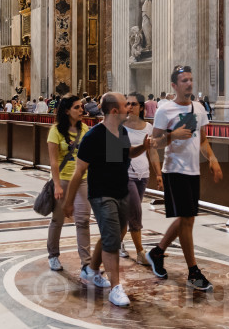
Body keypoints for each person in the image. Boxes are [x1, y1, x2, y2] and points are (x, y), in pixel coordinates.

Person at [62, 93, 152, 307]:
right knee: (112, 239)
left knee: (115, 233)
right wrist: (68, 201)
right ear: (114, 111)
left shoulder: (119, 131)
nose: (128, 109)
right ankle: (116, 288)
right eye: (124, 105)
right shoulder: (93, 137)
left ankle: (91, 270)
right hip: (102, 194)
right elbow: (79, 171)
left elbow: (125, 155)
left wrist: (143, 148)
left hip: (120, 191)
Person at [147, 65, 223, 290]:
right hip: (174, 170)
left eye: (190, 79)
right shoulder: (165, 110)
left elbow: (202, 141)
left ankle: (157, 252)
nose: (189, 83)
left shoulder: (199, 108)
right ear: (174, 85)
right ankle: (193, 272)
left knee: (184, 219)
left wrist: (212, 159)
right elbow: (154, 143)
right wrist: (173, 135)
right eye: (184, 80)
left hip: (193, 171)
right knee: (187, 220)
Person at [46, 94, 91, 273]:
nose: (82, 110)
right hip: (63, 179)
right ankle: (53, 255)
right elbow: (54, 161)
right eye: (77, 107)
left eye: (81, 107)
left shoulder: (86, 129)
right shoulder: (55, 130)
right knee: (58, 220)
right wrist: (56, 184)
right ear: (66, 111)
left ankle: (86, 263)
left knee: (83, 221)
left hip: (82, 180)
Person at [122, 92, 161, 265]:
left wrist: (158, 174)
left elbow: (152, 151)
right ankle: (140, 252)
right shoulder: (120, 126)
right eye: (127, 104)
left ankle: (115, 244)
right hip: (126, 175)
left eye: (133, 104)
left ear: (141, 107)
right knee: (136, 212)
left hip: (143, 175)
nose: (129, 107)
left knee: (125, 215)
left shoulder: (148, 128)